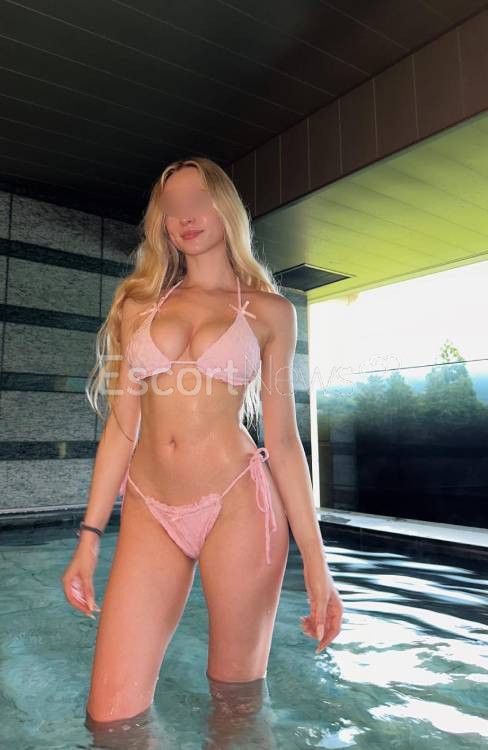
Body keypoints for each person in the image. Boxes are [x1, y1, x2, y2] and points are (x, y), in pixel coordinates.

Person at [60, 156, 344, 725]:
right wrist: (88, 538)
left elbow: (283, 441)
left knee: (235, 707)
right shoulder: (136, 305)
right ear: (161, 223)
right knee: (110, 719)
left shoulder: (272, 312)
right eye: (173, 208)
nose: (186, 217)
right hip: (150, 507)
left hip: (239, 504)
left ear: (226, 208)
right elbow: (121, 427)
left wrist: (318, 565)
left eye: (199, 201)